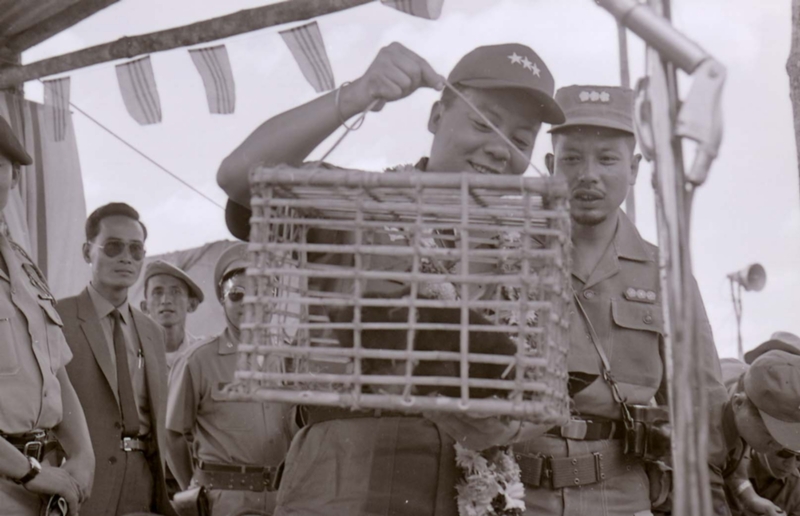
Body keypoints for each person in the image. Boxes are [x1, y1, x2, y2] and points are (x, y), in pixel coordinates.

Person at [217, 42, 565, 515]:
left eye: (521, 140)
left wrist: (506, 424)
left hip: (472, 487)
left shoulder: (531, 256)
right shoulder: (351, 205)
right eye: (484, 122)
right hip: (345, 476)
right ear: (437, 115)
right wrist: (357, 94)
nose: (499, 149)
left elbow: (549, 393)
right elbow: (239, 174)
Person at [510, 85, 729, 516]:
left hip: (623, 499)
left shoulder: (667, 276)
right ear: (551, 166)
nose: (588, 174)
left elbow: (703, 405)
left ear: (632, 169)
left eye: (607, 159)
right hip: (516, 496)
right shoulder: (504, 255)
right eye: (572, 158)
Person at [0, 116, 95, 516]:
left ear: (15, 178)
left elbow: (56, 372)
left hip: (44, 482)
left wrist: (82, 454)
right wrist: (27, 472)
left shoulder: (22, 265)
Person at [57, 203, 177, 516]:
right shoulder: (58, 318)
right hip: (83, 484)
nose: (126, 258)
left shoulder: (152, 331)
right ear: (87, 252)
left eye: (136, 250)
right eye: (113, 247)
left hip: (142, 484)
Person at [166, 242, 297, 515]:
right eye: (237, 294)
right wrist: (194, 488)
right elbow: (173, 435)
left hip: (283, 501)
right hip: (224, 501)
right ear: (223, 300)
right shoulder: (198, 360)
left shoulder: (290, 361)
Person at [140, 259, 204, 371]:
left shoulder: (202, 353)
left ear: (192, 304)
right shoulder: (134, 354)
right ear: (145, 307)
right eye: (157, 293)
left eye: (176, 292)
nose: (166, 300)